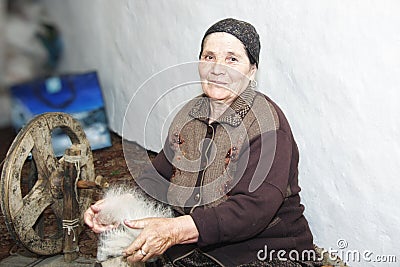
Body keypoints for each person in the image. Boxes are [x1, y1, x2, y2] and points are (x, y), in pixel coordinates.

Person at [85, 18, 323, 267]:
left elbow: (253, 208)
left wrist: (175, 230)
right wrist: (116, 207)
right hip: (197, 248)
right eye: (209, 57)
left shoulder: (267, 125)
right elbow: (158, 178)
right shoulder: (190, 115)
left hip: (264, 252)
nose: (218, 69)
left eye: (232, 59)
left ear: (251, 70)